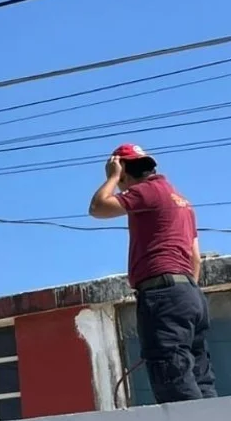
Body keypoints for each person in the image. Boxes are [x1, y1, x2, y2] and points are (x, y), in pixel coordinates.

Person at [88, 143, 215, 402]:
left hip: (163, 293)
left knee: (171, 374)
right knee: (199, 373)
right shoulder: (181, 201)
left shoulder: (147, 191)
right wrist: (183, 293)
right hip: (190, 293)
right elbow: (195, 258)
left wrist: (111, 176)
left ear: (123, 170)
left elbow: (98, 208)